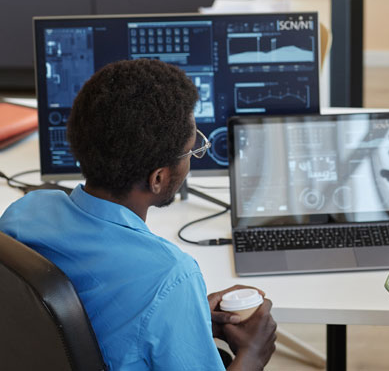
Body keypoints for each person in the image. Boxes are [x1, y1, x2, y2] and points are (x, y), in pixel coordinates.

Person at [0, 59, 276, 370]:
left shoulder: (25, 212)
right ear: (157, 178)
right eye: (191, 149)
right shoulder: (170, 275)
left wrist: (185, 313)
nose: (192, 157)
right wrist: (253, 355)